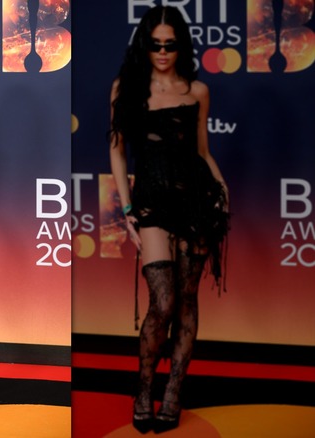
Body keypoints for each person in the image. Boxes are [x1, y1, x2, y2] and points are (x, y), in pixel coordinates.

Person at [108, 5, 229, 434]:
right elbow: (118, 151)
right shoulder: (127, 88)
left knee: (187, 300)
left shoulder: (196, 91)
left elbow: (202, 151)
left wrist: (221, 186)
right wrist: (126, 211)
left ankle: (174, 390)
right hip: (150, 205)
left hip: (196, 202)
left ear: (181, 46)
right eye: (155, 44)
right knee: (162, 301)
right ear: (146, 44)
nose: (162, 52)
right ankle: (144, 387)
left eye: (170, 45)